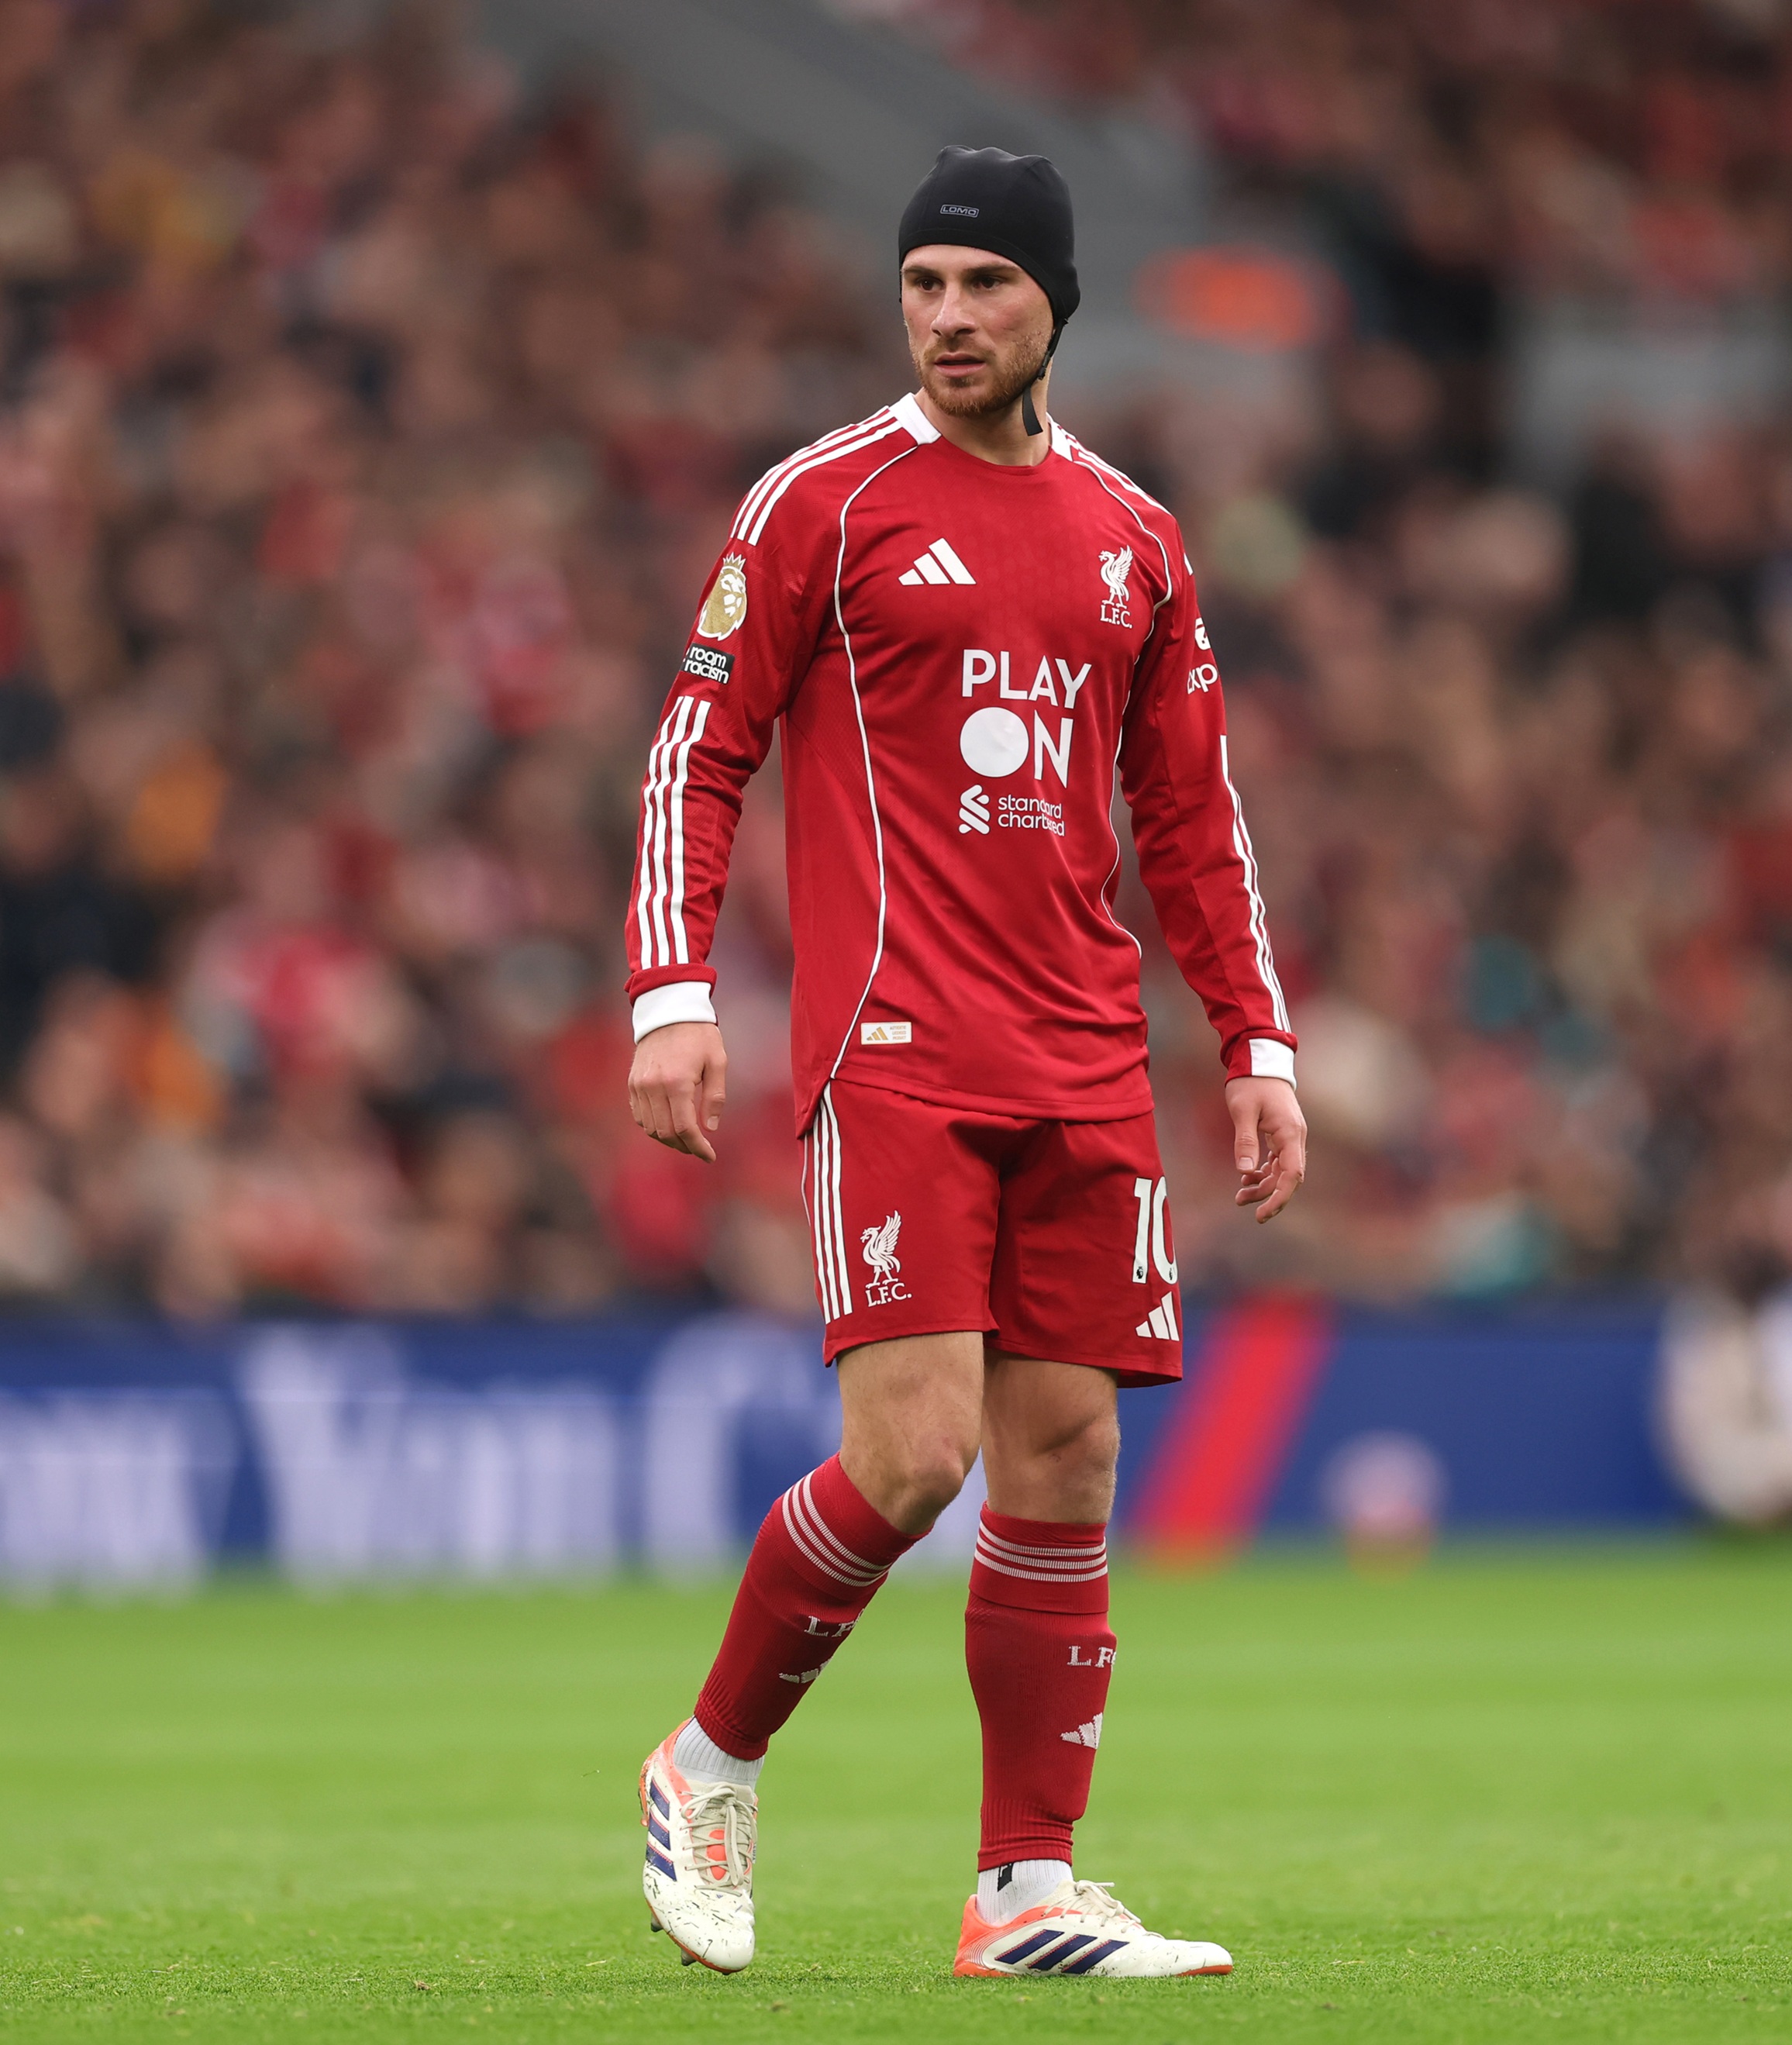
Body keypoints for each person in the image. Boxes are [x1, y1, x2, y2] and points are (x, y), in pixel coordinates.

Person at [622, 145, 1306, 1981]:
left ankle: (1023, 1886)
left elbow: (1192, 816)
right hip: (896, 1043)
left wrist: (1251, 1036)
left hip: (1083, 1052)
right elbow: (697, 749)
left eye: (983, 286)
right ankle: (704, 1762)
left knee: (1065, 1455)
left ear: (1053, 304)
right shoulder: (822, 504)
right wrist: (668, 989)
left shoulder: (1133, 538)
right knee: (915, 1456)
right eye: (921, 283)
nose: (944, 318)